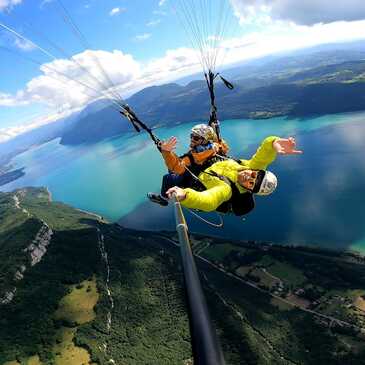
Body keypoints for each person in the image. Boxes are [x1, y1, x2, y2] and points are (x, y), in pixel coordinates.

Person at [165, 136, 303, 215]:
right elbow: (264, 156)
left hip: (196, 180)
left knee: (169, 178)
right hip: (211, 167)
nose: (248, 177)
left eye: (251, 183)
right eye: (254, 175)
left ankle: (163, 197)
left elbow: (209, 201)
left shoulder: (227, 189)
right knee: (209, 140)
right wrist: (274, 143)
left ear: (249, 190)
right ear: (256, 170)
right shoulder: (250, 167)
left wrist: (184, 195)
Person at [147, 124, 229, 206]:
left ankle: (163, 199)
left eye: (196, 138)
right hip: (207, 175)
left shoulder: (192, 158)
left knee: (167, 178)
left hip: (193, 182)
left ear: (204, 141)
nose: (192, 139)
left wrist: (166, 152)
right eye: (191, 136)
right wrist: (215, 134)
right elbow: (223, 146)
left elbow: (175, 168)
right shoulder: (216, 147)